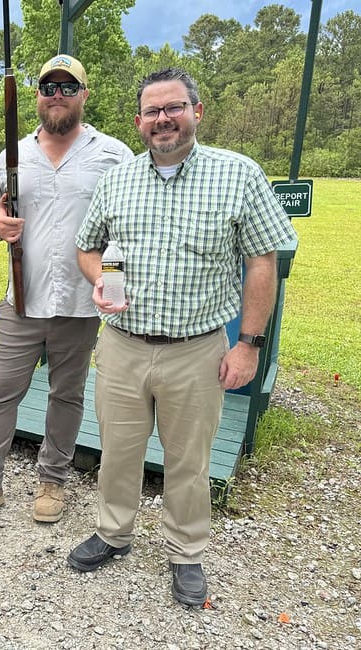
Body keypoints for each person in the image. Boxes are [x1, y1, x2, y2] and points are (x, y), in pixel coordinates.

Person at [70, 68, 297, 606]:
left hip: (197, 349)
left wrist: (249, 344)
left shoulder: (239, 174)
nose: (163, 119)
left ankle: (186, 552)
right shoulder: (119, 178)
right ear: (139, 122)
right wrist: (99, 278)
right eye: (153, 111)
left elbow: (262, 260)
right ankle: (112, 532)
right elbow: (86, 246)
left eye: (174, 107)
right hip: (123, 345)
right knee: (117, 450)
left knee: (189, 461)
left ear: (198, 111)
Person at [0, 55, 133, 523]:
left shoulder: (114, 155)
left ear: (85, 95)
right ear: (37, 96)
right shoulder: (12, 154)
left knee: (67, 393)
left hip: (83, 302)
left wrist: (115, 283)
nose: (57, 96)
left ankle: (53, 480)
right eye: (48, 87)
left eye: (68, 88)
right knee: (1, 391)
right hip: (21, 299)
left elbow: (125, 228)